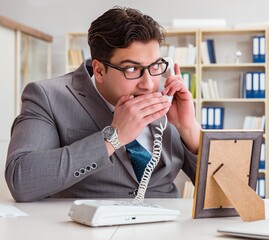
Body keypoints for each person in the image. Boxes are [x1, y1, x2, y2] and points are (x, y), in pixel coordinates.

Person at [5, 6, 201, 202]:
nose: (149, 84)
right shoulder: (47, 97)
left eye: (155, 66)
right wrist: (113, 138)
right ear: (99, 70)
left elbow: (224, 193)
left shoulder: (168, 98)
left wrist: (188, 128)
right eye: (132, 69)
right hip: (85, 229)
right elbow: (21, 182)